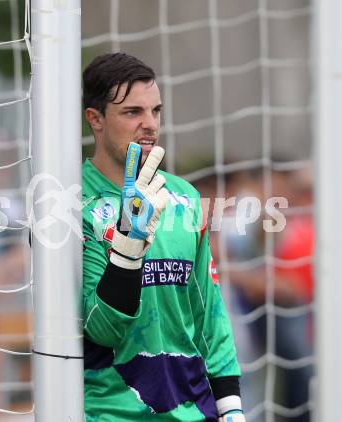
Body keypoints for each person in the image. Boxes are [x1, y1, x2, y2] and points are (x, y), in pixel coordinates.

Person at [81, 52, 245, 422]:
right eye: (132, 113)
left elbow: (209, 316)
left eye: (155, 111)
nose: (149, 124)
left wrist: (231, 407)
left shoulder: (184, 197)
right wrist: (128, 244)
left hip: (195, 411)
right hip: (109, 415)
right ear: (96, 120)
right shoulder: (71, 205)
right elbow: (101, 329)